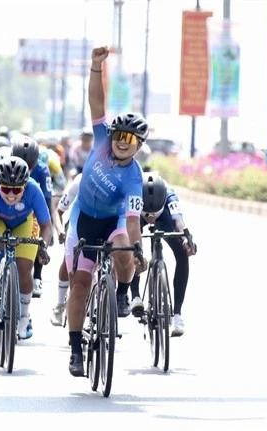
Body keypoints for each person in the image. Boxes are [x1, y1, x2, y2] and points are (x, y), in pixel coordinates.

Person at [65, 46, 148, 377]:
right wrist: (96, 67)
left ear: (139, 145)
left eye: (131, 138)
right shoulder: (100, 137)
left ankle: (124, 293)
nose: (123, 141)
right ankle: (74, 348)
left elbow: (131, 219)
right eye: (120, 135)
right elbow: (96, 104)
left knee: (123, 248)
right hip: (83, 218)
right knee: (81, 284)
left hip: (112, 222)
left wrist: (136, 247)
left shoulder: (134, 176)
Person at [0, 156, 53, 340]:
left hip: (24, 222)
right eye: (6, 189)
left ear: (25, 186)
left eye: (17, 190)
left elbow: (47, 226)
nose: (11, 195)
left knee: (24, 269)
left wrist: (43, 246)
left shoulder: (34, 190)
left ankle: (24, 317)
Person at [129, 172, 197, 337]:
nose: (151, 217)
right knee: (132, 249)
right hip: (138, 217)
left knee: (182, 253)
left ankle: (177, 314)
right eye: (149, 214)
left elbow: (179, 222)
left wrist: (187, 239)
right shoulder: (134, 194)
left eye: (154, 213)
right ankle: (135, 295)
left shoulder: (170, 196)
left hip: (165, 216)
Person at [11, 135, 53, 298]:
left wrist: (47, 225)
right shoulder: (6, 166)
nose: (26, 168)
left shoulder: (42, 170)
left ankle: (37, 276)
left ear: (35, 162)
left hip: (32, 208)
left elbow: (47, 198)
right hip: (7, 206)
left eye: (29, 165)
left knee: (37, 238)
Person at [50, 172, 82, 326]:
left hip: (105, 221)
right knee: (68, 261)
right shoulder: (79, 183)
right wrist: (60, 230)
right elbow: (58, 211)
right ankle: (60, 304)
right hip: (78, 222)